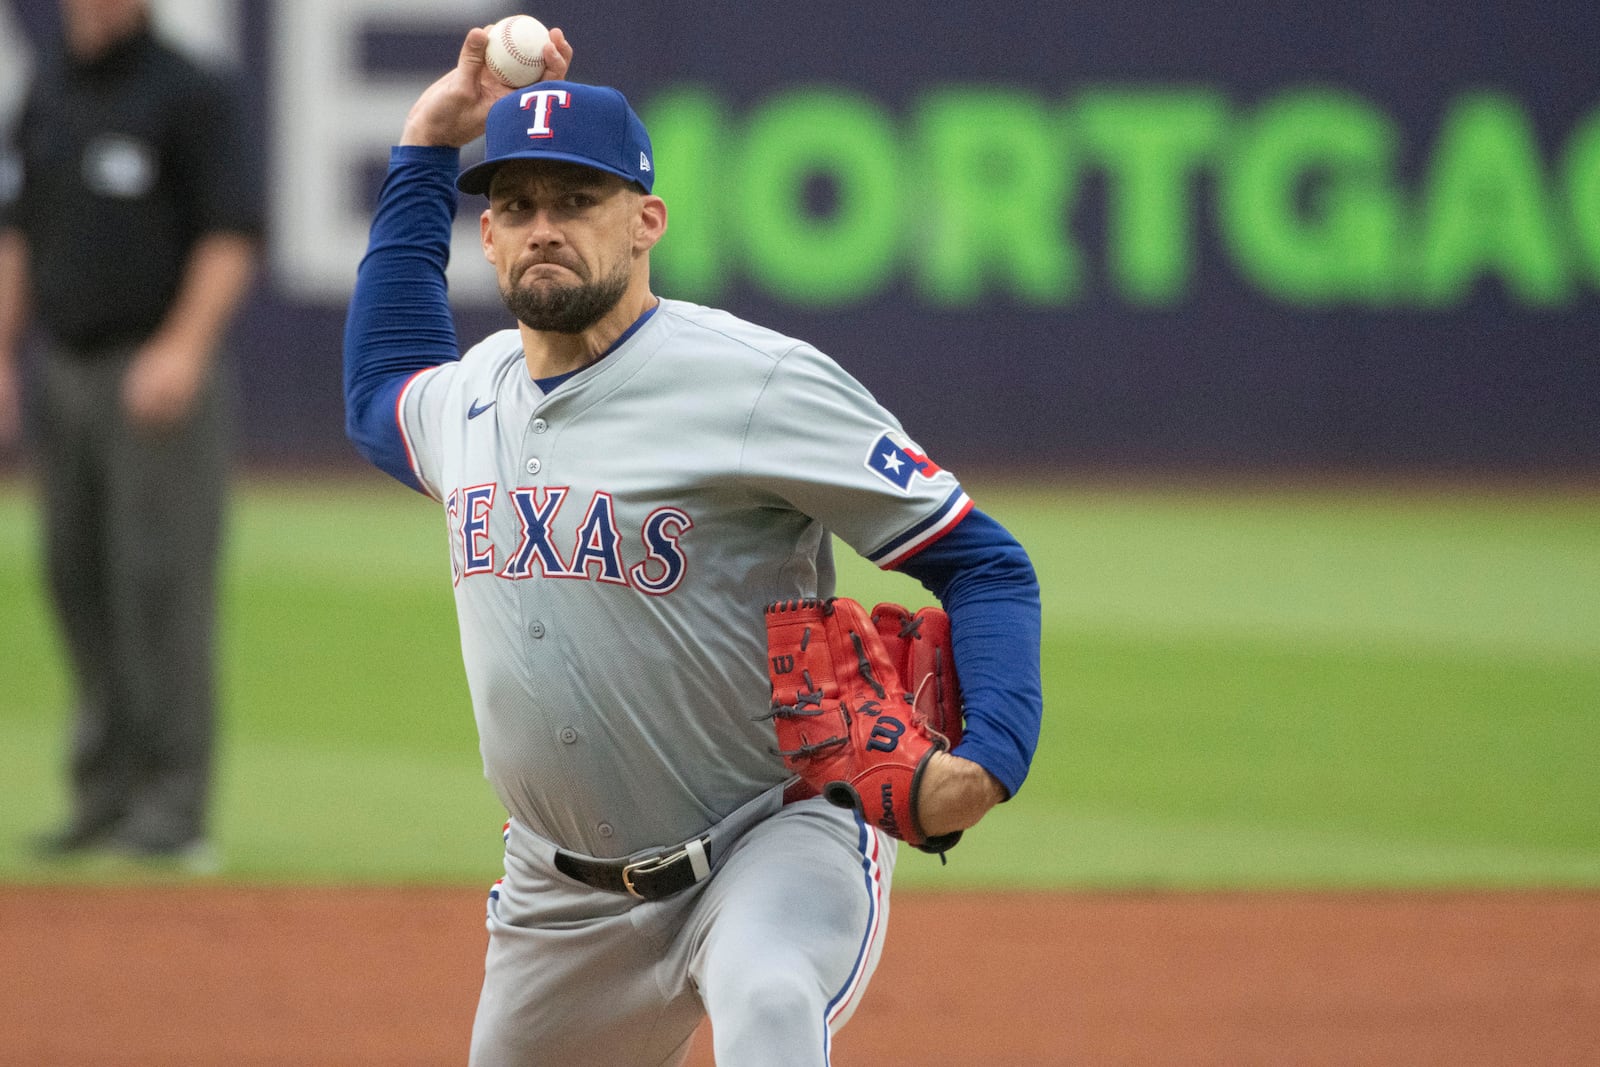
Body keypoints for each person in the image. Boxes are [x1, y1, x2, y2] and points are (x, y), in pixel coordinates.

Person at [343, 27, 1042, 1066]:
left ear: (645, 221)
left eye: (576, 201)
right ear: (486, 237)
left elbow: (981, 558)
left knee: (765, 1000)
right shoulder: (470, 396)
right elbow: (379, 388)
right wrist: (422, 147)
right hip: (559, 893)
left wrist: (987, 760)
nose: (545, 227)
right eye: (520, 206)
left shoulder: (753, 383)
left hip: (769, 836)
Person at [0, 0, 261, 867]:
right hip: (62, 368)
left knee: (161, 586)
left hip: (153, 369)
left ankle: (173, 805)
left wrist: (184, 346)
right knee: (74, 576)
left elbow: (231, 231)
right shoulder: (51, 88)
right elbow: (16, 230)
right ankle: (102, 791)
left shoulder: (191, 89)